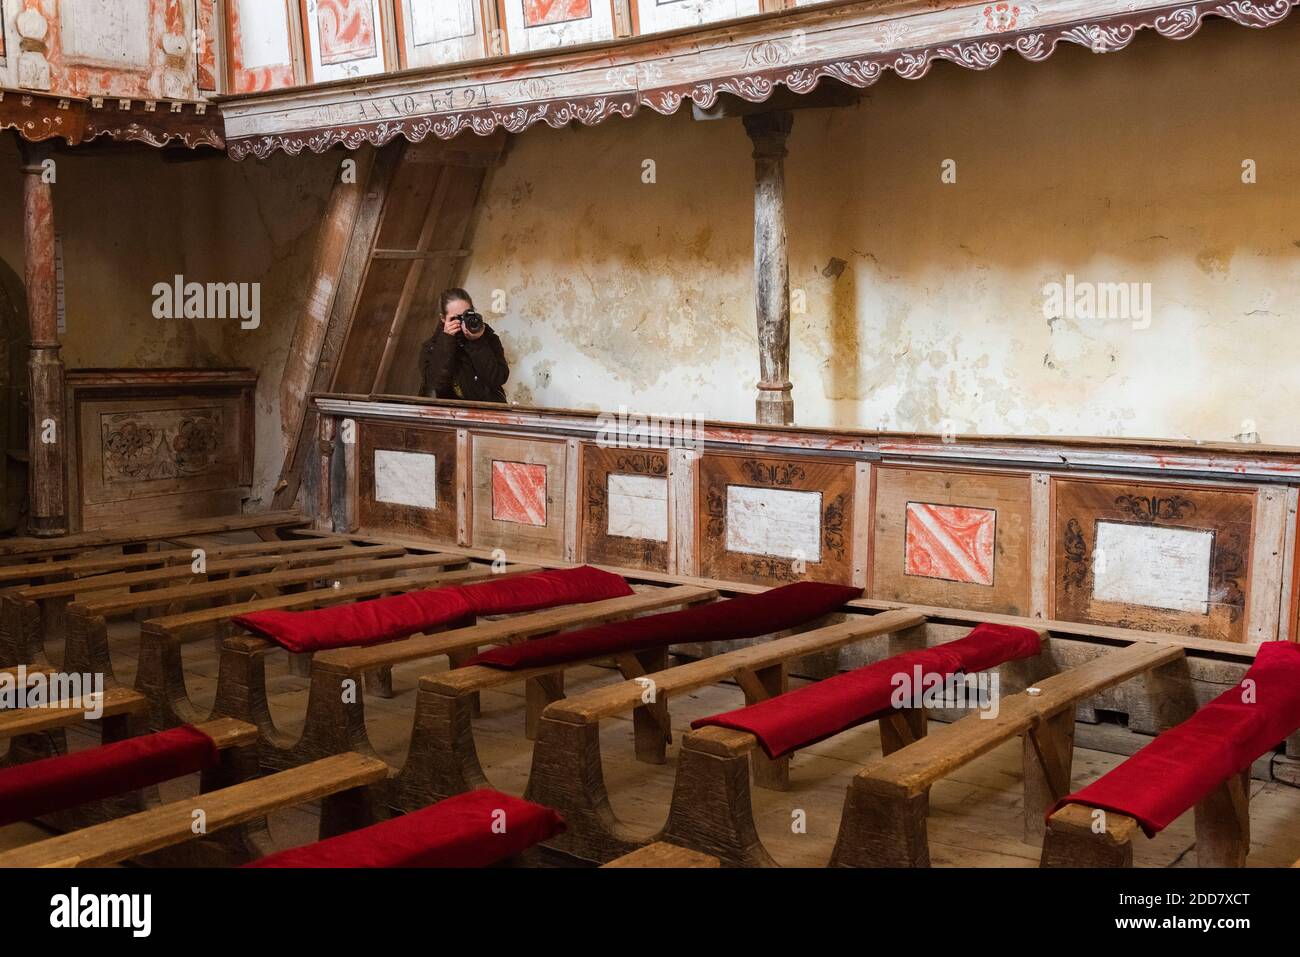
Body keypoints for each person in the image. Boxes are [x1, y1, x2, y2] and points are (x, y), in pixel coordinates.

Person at [418, 288, 509, 403]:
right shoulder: (432, 346)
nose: (462, 322)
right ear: (443, 319)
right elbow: (436, 383)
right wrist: (447, 340)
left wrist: (477, 342)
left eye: (466, 315)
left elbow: (498, 378)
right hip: (454, 413)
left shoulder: (488, 337)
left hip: (491, 409)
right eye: (456, 318)